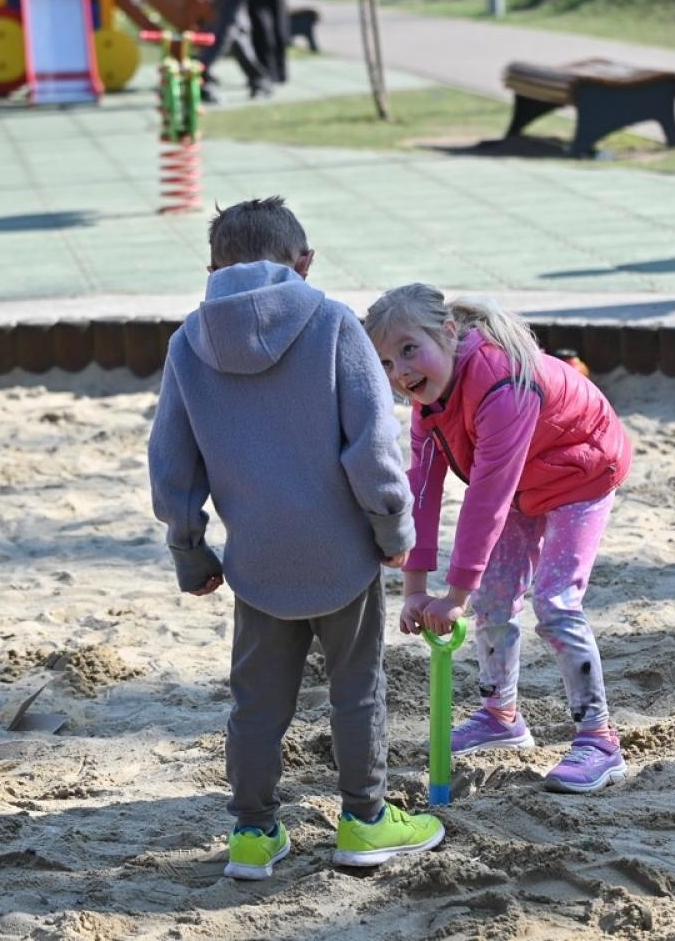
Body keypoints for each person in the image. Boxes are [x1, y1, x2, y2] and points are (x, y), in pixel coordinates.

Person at [148, 198, 444, 880]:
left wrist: (189, 549)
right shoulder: (334, 324)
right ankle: (364, 819)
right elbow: (373, 444)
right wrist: (392, 525)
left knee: (255, 703)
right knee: (357, 690)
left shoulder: (189, 343)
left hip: (256, 561)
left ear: (213, 269)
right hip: (343, 555)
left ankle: (253, 833)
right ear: (304, 262)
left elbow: (172, 462)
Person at [364, 284, 634, 794]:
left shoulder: (500, 384)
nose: (400, 372)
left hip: (583, 469)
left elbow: (487, 497)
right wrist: (416, 589)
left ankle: (599, 740)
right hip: (526, 480)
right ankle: (500, 715)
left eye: (409, 349)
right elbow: (421, 490)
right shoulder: (429, 404)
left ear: (448, 333)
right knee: (493, 597)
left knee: (555, 602)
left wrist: (454, 596)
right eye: (386, 362)